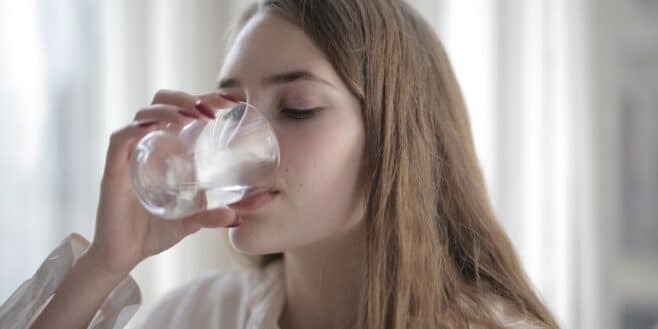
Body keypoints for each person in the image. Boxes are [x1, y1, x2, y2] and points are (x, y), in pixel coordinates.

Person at [0, 0, 560, 328]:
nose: (239, 143)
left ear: (397, 139)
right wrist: (104, 265)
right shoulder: (200, 315)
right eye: (232, 110)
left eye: (297, 109)